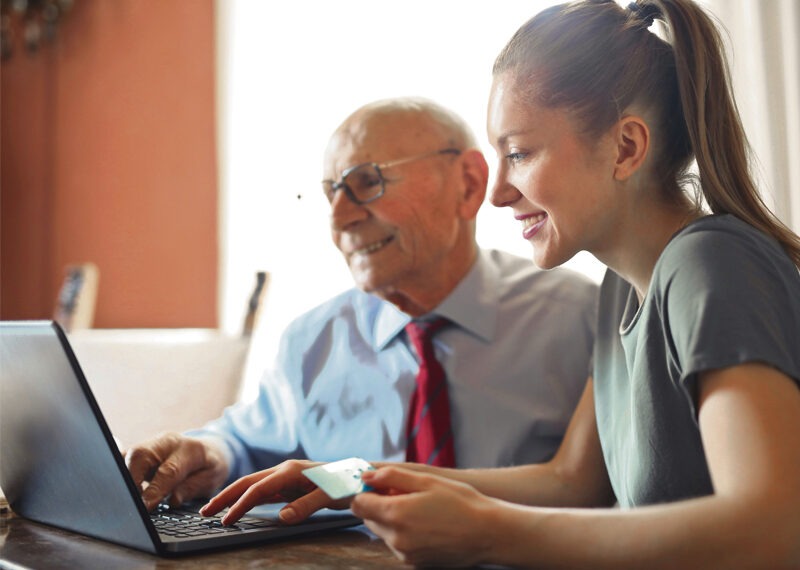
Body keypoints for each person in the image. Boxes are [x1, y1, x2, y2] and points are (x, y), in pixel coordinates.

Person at [201, 1, 800, 568]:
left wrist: (487, 531)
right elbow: (571, 481)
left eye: (519, 153)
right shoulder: (623, 289)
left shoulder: (711, 265)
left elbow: (773, 530)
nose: (497, 193)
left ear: (625, 148)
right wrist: (350, 477)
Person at [125, 96, 599, 512]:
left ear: (469, 184)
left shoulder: (580, 319)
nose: (340, 218)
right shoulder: (314, 339)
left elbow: (596, 491)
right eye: (332, 192)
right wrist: (207, 454)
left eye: (366, 182)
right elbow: (246, 442)